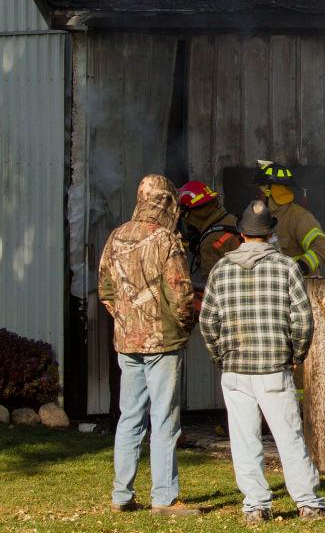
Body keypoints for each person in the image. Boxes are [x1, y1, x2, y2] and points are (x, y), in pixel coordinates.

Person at [199, 199, 325, 523]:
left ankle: (256, 506)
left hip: (235, 370)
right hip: (274, 368)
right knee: (289, 437)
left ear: (242, 234)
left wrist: (221, 357)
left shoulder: (221, 269)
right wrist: (296, 355)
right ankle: (308, 503)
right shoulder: (286, 268)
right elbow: (302, 320)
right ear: (270, 234)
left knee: (244, 441)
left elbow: (208, 322)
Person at [98, 174, 199, 516]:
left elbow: (106, 291)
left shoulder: (115, 237)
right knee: (164, 419)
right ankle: (164, 497)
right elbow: (181, 295)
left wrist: (126, 320)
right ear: (167, 203)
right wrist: (182, 326)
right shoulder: (165, 240)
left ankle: (121, 494)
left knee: (129, 418)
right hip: (162, 344)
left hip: (126, 342)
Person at [254, 161, 325, 275]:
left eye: (259, 193)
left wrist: (299, 268)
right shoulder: (260, 218)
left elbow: (323, 247)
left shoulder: (298, 217)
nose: (256, 197)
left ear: (270, 194)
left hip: (296, 286)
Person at [178, 180, 240, 288]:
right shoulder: (232, 220)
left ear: (192, 214)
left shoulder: (209, 243)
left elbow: (211, 288)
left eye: (184, 216)